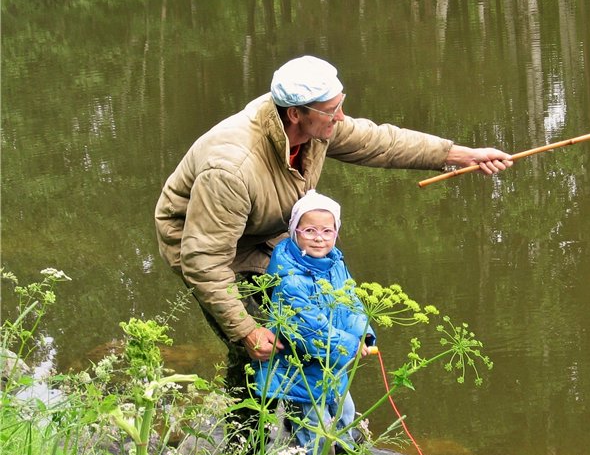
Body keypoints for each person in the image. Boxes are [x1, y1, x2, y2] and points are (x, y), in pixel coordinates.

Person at [154, 55, 512, 396]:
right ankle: (245, 447)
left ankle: (313, 425)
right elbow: (204, 262)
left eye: (341, 105)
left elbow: (381, 142)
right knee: (256, 350)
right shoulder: (230, 169)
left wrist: (462, 155)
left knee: (315, 318)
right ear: (296, 114)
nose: (340, 117)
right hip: (207, 247)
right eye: (332, 110)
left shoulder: (315, 123)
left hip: (267, 229)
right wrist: (246, 331)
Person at [252, 190, 374, 455]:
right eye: (309, 230)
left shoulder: (335, 264)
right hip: (301, 370)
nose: (319, 238)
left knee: (346, 414)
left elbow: (352, 303)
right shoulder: (289, 277)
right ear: (294, 232)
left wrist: (363, 335)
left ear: (336, 233)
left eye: (327, 231)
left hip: (334, 363)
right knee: (314, 429)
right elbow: (308, 331)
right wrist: (349, 346)